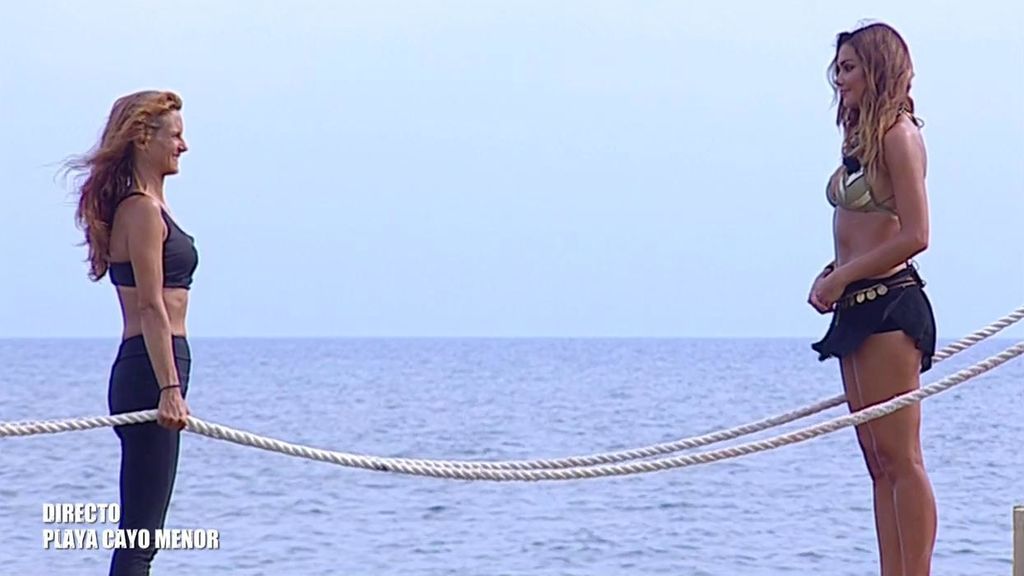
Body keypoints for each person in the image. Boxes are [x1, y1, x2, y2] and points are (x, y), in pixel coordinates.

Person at [808, 22, 938, 576]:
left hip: (889, 304)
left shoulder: (898, 135)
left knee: (902, 458)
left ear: (879, 68)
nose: (841, 79)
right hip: (855, 305)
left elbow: (916, 234)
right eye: (837, 67)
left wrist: (845, 276)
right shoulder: (860, 139)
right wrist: (836, 273)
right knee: (877, 461)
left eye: (851, 67)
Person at [65, 90, 197, 575]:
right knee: (140, 535)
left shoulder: (151, 206)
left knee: (144, 532)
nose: (183, 146)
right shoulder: (141, 210)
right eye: (176, 135)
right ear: (144, 137)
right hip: (149, 369)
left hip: (157, 364)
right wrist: (169, 389)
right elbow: (150, 303)